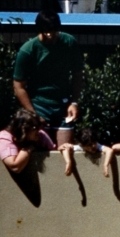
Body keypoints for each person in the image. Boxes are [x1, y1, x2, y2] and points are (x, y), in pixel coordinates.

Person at [12, 10, 83, 146]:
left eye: (54, 31)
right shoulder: (27, 50)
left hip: (63, 104)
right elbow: (18, 86)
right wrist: (33, 114)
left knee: (66, 150)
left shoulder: (69, 42)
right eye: (47, 32)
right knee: (40, 153)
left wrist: (74, 102)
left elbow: (78, 76)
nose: (51, 35)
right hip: (38, 105)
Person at [0, 108, 55, 174]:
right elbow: (15, 167)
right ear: (24, 129)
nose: (39, 130)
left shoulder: (40, 134)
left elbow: (54, 156)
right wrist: (29, 148)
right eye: (35, 128)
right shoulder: (5, 137)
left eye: (39, 126)